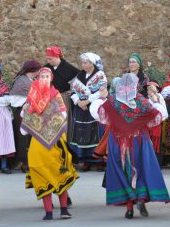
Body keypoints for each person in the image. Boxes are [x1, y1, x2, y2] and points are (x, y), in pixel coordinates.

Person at [90, 73, 170, 219]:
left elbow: (98, 114)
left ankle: (129, 208)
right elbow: (161, 115)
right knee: (141, 168)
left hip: (118, 141)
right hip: (139, 140)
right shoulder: (141, 101)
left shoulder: (112, 102)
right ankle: (141, 199)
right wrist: (156, 100)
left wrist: (101, 98)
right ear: (136, 86)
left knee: (124, 171)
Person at [21, 67, 79, 220]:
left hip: (56, 139)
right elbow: (24, 117)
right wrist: (28, 114)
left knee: (58, 172)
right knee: (41, 173)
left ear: (51, 78)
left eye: (47, 76)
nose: (45, 78)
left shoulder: (55, 94)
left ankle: (64, 209)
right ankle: (48, 211)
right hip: (38, 140)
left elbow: (63, 113)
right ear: (38, 78)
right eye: (42, 76)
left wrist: (50, 118)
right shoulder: (31, 96)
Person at [70, 52, 107, 171]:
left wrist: (86, 102)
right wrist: (78, 102)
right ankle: (85, 160)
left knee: (95, 133)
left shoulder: (100, 75)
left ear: (92, 64)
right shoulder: (79, 76)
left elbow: (101, 91)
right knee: (82, 132)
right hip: (81, 109)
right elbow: (73, 91)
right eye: (82, 63)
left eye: (85, 63)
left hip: (94, 108)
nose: (83, 65)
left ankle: (98, 160)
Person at [10, 60, 41, 173]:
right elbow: (13, 99)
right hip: (22, 112)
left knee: (33, 137)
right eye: (37, 70)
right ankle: (24, 162)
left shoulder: (34, 80)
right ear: (32, 70)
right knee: (23, 138)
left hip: (34, 112)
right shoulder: (21, 81)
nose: (38, 72)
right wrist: (27, 103)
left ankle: (33, 160)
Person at [44, 46, 80, 143]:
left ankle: (64, 143)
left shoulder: (69, 68)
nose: (48, 61)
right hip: (49, 100)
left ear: (57, 57)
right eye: (47, 58)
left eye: (50, 59)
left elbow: (79, 81)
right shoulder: (46, 68)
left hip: (63, 99)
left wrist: (73, 91)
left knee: (63, 122)